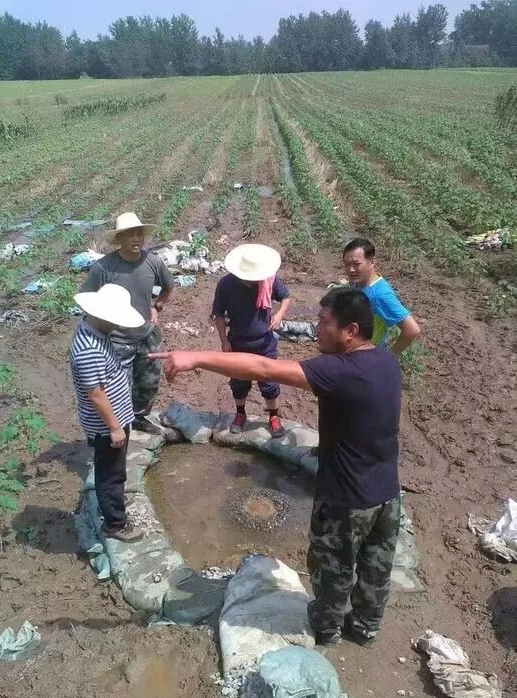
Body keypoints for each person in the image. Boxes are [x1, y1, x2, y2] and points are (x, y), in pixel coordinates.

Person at [150, 287, 402, 646]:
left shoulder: (341, 371)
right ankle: (365, 628)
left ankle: (326, 629)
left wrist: (195, 357)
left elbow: (264, 367)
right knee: (376, 567)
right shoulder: (386, 360)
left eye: (324, 322)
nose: (317, 329)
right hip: (388, 493)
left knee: (333, 568)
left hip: (347, 498)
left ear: (350, 331)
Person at [82, 212, 175, 434]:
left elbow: (168, 285)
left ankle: (140, 417)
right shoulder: (104, 268)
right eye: (130, 235)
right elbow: (87, 298)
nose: (137, 239)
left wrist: (157, 306)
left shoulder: (152, 261)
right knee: (117, 387)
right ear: (119, 239)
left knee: (149, 383)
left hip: (146, 333)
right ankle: (117, 427)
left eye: (139, 234)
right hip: (116, 339)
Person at [70, 284, 145, 543]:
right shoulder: (89, 349)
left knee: (115, 468)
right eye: (114, 320)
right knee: (109, 474)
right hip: (105, 425)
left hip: (115, 418)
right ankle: (115, 524)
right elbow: (96, 394)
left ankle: (115, 502)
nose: (117, 325)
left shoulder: (95, 331)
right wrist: (114, 427)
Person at [212, 243, 292, 438]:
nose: (252, 281)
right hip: (238, 342)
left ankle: (274, 416)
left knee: (269, 382)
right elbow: (218, 314)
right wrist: (224, 341)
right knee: (239, 382)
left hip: (264, 342)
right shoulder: (226, 284)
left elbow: (286, 297)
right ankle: (240, 414)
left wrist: (279, 315)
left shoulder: (268, 280)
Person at [343, 238, 420, 354]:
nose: (351, 270)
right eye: (347, 264)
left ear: (372, 262)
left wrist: (388, 357)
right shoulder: (359, 283)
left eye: (356, 264)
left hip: (365, 356)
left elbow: (412, 330)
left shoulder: (380, 294)